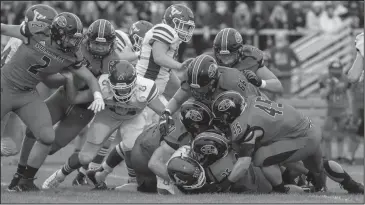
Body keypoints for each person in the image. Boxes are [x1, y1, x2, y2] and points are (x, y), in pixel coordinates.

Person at [1, 11, 105, 191]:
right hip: (5, 86)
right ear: (58, 32)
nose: (74, 42)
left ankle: (26, 181)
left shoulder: (72, 53)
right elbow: (3, 28)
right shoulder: (37, 31)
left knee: (47, 136)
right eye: (71, 37)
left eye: (77, 38)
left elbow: (90, 78)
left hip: (27, 94)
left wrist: (96, 95)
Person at [42, 60, 165, 190]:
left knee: (133, 148)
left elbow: (164, 112)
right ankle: (60, 175)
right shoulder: (102, 84)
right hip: (108, 116)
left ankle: (133, 181)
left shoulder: (146, 87)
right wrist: (70, 79)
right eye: (118, 89)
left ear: (135, 83)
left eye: (126, 89)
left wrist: (167, 121)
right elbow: (75, 99)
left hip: (133, 117)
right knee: (85, 157)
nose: (123, 93)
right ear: (110, 83)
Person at [210, 90, 364, 194]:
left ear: (230, 113)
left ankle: (281, 190)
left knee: (261, 157)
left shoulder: (247, 123)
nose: (222, 122)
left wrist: (226, 183)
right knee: (319, 166)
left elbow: (244, 162)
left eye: (223, 118)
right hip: (306, 128)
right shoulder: (252, 100)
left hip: (302, 138)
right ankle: (354, 186)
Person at [86, 99, 212, 193]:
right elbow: (154, 163)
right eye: (201, 124)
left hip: (148, 139)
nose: (204, 128)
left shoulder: (184, 123)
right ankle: (112, 190)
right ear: (193, 124)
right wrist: (180, 182)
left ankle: (101, 173)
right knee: (147, 188)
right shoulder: (178, 135)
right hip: (143, 154)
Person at [159, 54, 263, 138]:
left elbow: (248, 111)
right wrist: (166, 113)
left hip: (252, 104)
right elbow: (177, 99)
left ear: (214, 80)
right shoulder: (193, 78)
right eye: (194, 88)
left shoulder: (232, 82)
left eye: (202, 87)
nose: (197, 91)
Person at [212, 28, 283, 95]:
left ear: (239, 52)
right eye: (222, 56)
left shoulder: (250, 59)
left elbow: (278, 86)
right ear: (216, 53)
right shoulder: (210, 61)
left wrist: (260, 82)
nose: (226, 61)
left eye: (230, 56)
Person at [318, 59, 352, 161]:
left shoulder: (345, 78)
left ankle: (340, 156)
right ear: (330, 69)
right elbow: (322, 95)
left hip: (343, 109)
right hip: (330, 109)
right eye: (334, 69)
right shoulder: (325, 78)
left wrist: (350, 109)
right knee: (326, 135)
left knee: (341, 135)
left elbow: (349, 94)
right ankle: (327, 156)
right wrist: (330, 86)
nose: (336, 72)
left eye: (338, 69)